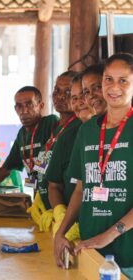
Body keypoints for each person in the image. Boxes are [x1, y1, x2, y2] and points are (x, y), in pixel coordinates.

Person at [54, 53, 133, 279]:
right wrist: (61, 233)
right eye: (108, 79)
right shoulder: (87, 131)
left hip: (128, 256)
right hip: (91, 252)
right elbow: (81, 188)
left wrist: (109, 235)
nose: (114, 87)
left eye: (123, 80)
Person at [45, 71, 97, 240]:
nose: (79, 102)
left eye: (85, 94)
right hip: (79, 232)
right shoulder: (70, 136)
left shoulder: (121, 131)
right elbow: (71, 188)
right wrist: (62, 217)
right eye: (73, 98)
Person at [32, 71, 81, 232]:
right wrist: (39, 193)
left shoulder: (78, 127)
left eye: (67, 92)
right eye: (56, 90)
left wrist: (61, 213)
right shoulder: (55, 128)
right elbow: (42, 166)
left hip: (68, 217)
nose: (60, 96)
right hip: (49, 212)